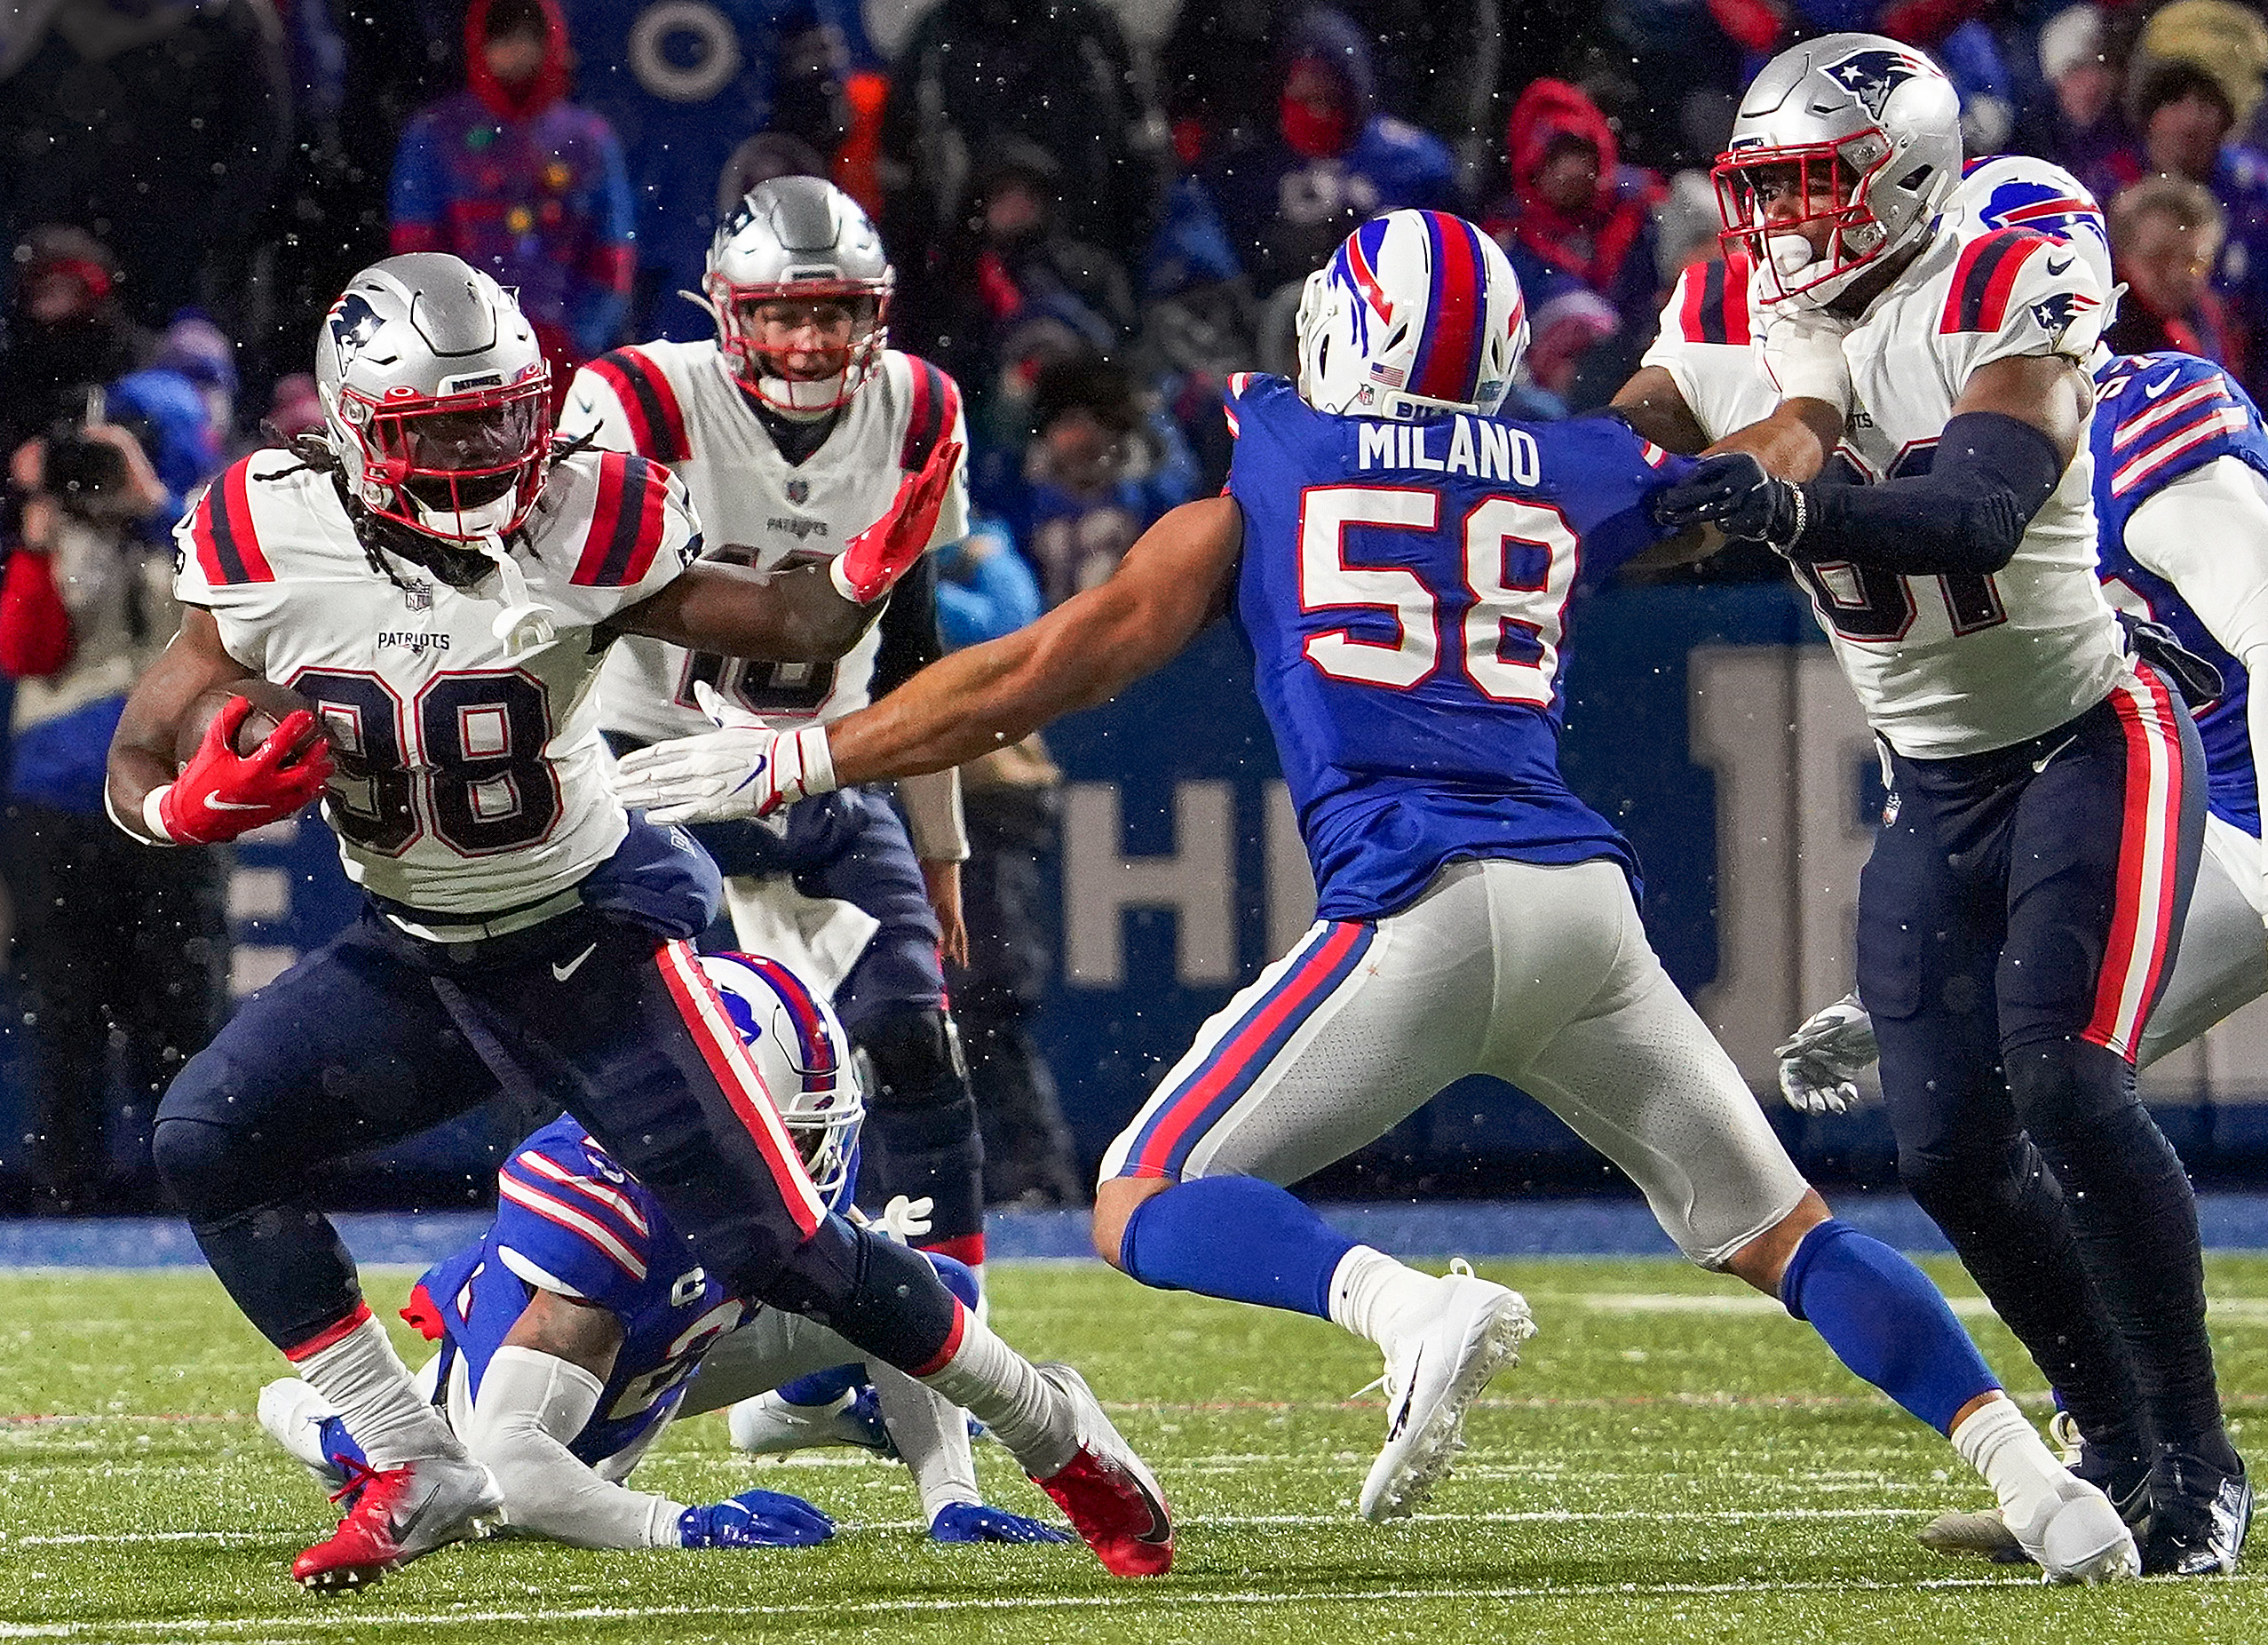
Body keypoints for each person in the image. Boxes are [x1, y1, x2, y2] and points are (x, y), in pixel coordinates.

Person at [615, 208, 2138, 1579]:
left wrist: (800, 758)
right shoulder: (1568, 466)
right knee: (1785, 1233)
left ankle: (1402, 1307)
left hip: (1413, 902)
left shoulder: (1276, 458)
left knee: (1136, 1199)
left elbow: (1036, 671)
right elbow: (1760, 478)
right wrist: (1805, 378)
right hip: (1582, 913)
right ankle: (2043, 1482)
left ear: (1341, 329)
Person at [103, 251, 1171, 1590]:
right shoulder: (266, 526)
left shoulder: (581, 513)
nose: (485, 451)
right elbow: (141, 746)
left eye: (502, 414)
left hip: (586, 939)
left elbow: (777, 622)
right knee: (207, 1138)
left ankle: (1058, 1431)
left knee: (783, 1250)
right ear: (351, 423)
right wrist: (188, 809)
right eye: (441, 428)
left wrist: (857, 576)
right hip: (415, 950)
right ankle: (410, 1459)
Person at [1625, 36, 2245, 1576]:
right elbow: (1620, 457)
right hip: (1934, 779)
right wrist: (1494, 466)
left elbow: (1972, 500)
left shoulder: (2007, 258)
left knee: (2064, 1082)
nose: (1785, 224)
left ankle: (2200, 1465)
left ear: (1904, 171)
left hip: (2089, 739)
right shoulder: (1728, 307)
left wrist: (1782, 498)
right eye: (1763, 190)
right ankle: (2106, 1452)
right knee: (1947, 1145)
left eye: (1816, 185)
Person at [257, 950, 1071, 1554]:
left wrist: (949, 1493)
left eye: (811, 1134)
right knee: (470, 1482)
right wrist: (686, 1527)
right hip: (525, 1413)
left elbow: (884, 1294)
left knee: (922, 1290)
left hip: (669, 1354)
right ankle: (330, 1428)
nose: (803, 1163)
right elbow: (515, 1465)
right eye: (776, 1138)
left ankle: (933, 1492)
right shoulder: (601, 1202)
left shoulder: (771, 1146)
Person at [563, 178, 993, 1288]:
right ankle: (681, 1314)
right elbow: (556, 605)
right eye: (784, 314)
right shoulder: (639, 400)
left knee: (912, 1033)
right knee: (703, 1079)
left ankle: (952, 1334)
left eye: (835, 314)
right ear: (726, 310)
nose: (809, 341)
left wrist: (940, 847)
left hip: (820, 776)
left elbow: (916, 646)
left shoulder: (921, 409)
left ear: (874, 315)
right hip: (651, 774)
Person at [389, 0, 635, 381]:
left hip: (571, 351)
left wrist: (580, 338)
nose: (515, 51)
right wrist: (452, 338)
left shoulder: (588, 138)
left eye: (528, 37)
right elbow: (416, 254)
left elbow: (613, 254)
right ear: (479, 44)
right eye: (502, 38)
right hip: (465, 353)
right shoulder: (435, 134)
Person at [2103, 176, 2235, 367]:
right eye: (2160, 256)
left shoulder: (2215, 323)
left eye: (2195, 261)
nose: (2177, 275)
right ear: (2121, 253)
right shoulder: (2095, 334)